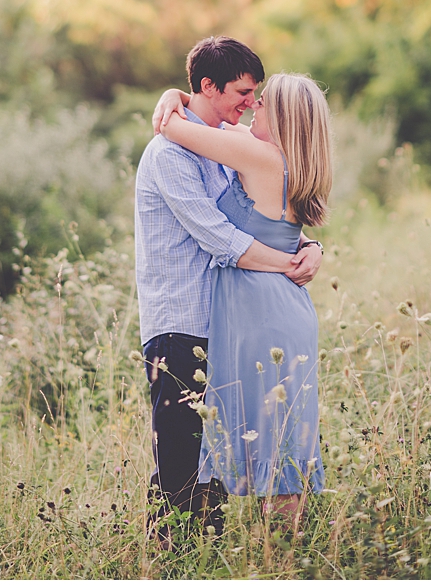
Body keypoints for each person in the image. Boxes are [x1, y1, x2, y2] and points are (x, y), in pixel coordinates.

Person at [133, 37, 323, 547]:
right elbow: (222, 238)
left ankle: (216, 558)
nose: (250, 103)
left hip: (228, 325)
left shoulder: (228, 144)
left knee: (212, 460)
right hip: (180, 324)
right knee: (180, 461)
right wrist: (291, 260)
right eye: (242, 92)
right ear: (208, 86)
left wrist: (310, 244)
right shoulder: (170, 153)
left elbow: (262, 214)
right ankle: (175, 560)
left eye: (257, 95)